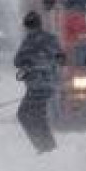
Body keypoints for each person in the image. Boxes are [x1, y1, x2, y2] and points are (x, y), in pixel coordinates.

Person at [14, 11, 65, 154]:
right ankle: (46, 146)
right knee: (37, 115)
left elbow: (17, 61)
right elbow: (62, 58)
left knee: (24, 115)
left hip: (37, 86)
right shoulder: (51, 39)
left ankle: (45, 147)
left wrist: (31, 65)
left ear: (28, 26)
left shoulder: (29, 41)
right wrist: (49, 63)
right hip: (49, 85)